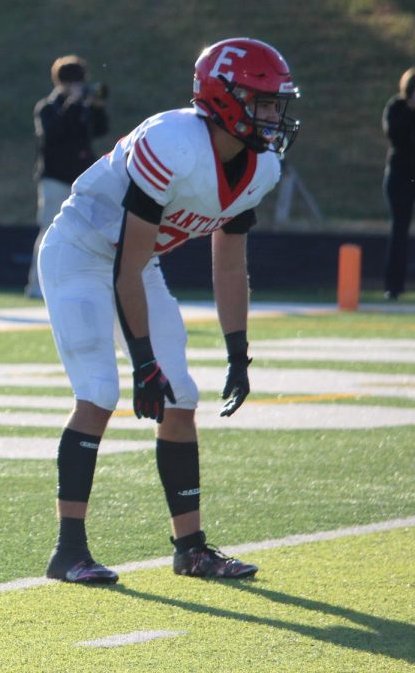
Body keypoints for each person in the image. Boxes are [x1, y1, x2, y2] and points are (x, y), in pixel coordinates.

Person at [39, 38, 300, 584]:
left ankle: (191, 548)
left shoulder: (260, 168)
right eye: (263, 102)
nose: (274, 115)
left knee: (182, 395)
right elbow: (124, 265)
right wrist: (142, 362)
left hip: (135, 264)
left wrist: (238, 351)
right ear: (224, 98)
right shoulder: (172, 142)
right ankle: (69, 551)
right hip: (82, 251)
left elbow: (229, 262)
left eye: (277, 103)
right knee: (99, 393)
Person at [25, 55, 109, 299]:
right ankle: (36, 285)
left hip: (81, 178)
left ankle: (80, 282)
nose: (78, 86)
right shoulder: (47, 107)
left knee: (86, 232)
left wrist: (96, 107)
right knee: (49, 229)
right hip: (53, 177)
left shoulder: (84, 108)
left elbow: (100, 130)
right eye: (73, 82)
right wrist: (72, 104)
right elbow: (52, 135)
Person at [381, 67, 415, 300]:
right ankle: (394, 287)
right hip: (400, 176)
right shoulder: (396, 107)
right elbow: (395, 136)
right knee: (399, 230)